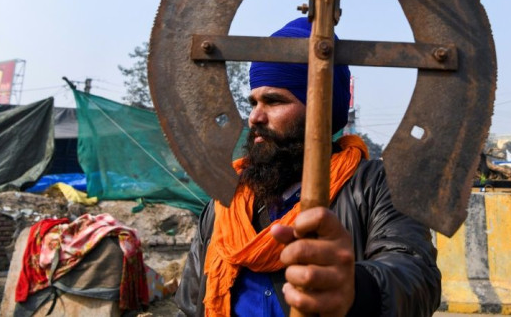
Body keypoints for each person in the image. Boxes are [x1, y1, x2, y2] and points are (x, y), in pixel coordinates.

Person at [175, 17, 441, 316]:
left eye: (274, 101)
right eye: (253, 102)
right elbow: (191, 302)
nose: (255, 118)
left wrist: (356, 288)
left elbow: (416, 276)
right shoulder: (228, 198)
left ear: (320, 109)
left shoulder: (376, 186)